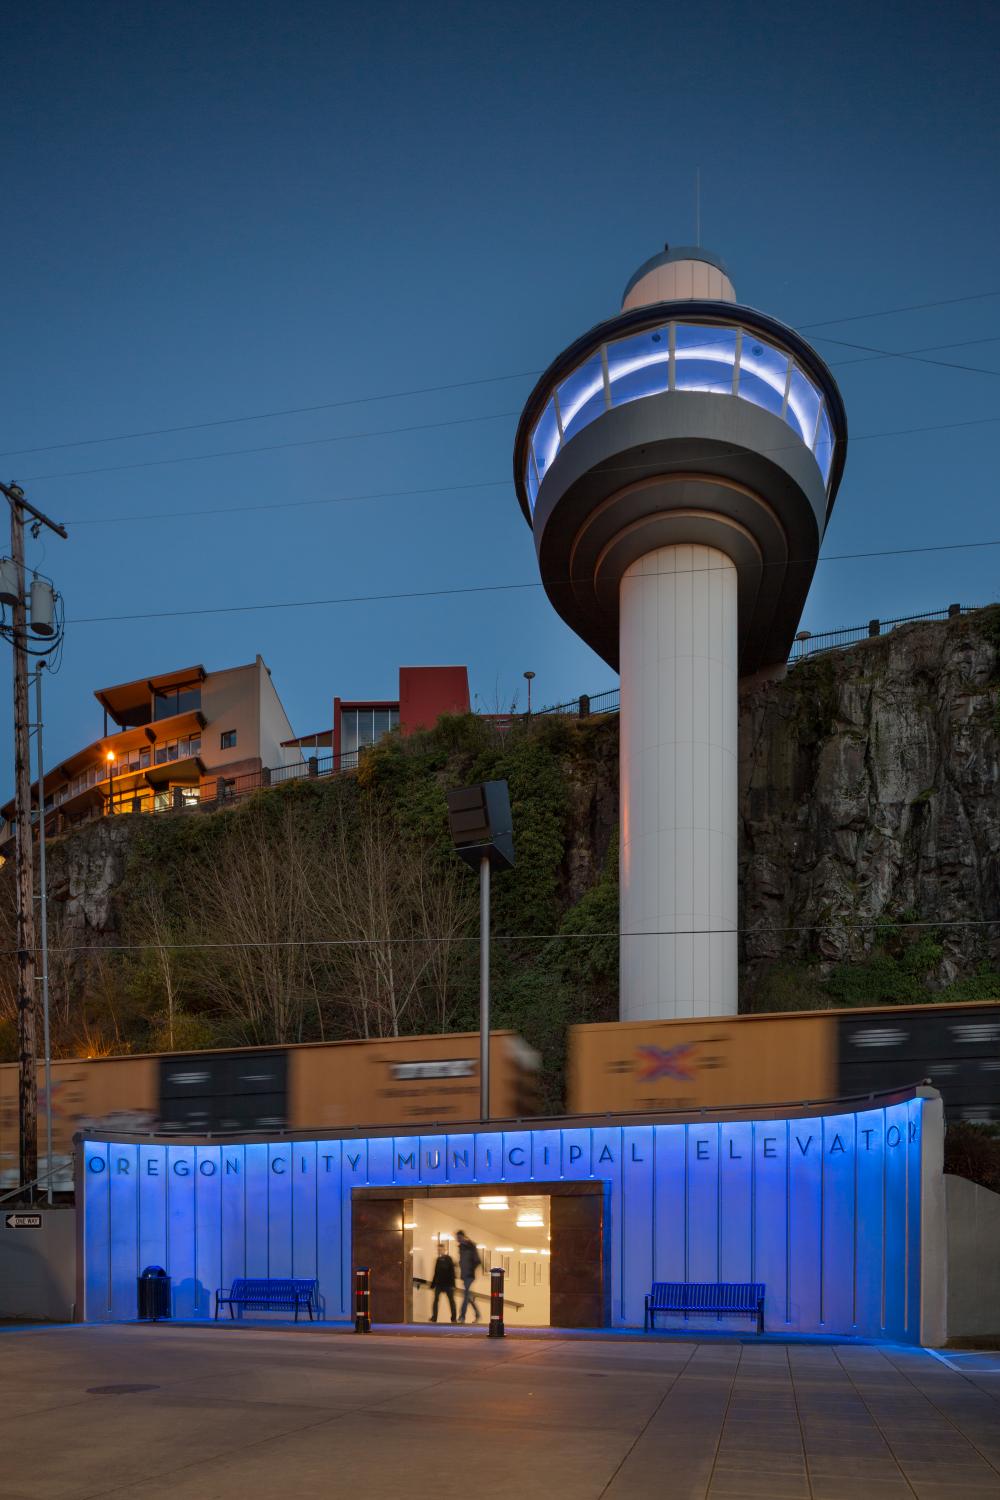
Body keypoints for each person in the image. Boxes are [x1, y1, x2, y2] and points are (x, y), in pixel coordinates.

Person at [456, 1229, 482, 1322]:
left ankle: (462, 1316)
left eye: (459, 1237)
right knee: (468, 1296)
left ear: (463, 1237)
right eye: (457, 1238)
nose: (457, 1239)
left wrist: (471, 1269)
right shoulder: (460, 1247)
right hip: (464, 1275)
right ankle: (477, 1314)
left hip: (469, 1275)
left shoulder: (471, 1245)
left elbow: (478, 1260)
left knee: (466, 1295)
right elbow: (462, 1260)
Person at [429, 1244, 456, 1323]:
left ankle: (453, 1318)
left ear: (444, 1250)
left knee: (451, 1301)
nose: (439, 1251)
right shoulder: (438, 1259)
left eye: (441, 1249)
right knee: (436, 1300)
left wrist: (453, 1285)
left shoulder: (449, 1259)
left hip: (448, 1284)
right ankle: (434, 1317)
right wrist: (433, 1284)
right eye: (438, 1250)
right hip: (439, 1284)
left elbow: (452, 1272)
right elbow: (436, 1272)